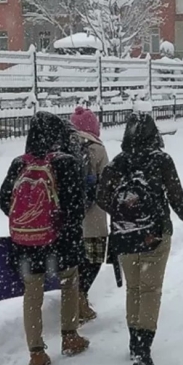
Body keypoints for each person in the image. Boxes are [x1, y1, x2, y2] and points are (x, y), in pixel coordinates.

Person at [97, 112, 183, 365]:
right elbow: (175, 193)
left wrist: (123, 212)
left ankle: (134, 341)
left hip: (124, 235)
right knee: (150, 290)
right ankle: (143, 346)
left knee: (134, 289)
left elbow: (101, 196)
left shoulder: (118, 162)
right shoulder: (161, 160)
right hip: (155, 234)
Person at [0, 111, 90, 365]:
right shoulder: (66, 162)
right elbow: (77, 205)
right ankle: (70, 336)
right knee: (69, 283)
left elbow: (4, 199)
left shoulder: (19, 164)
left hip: (26, 243)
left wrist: (28, 220)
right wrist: (61, 225)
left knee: (32, 293)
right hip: (61, 241)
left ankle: (36, 353)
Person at [70, 106, 110, 324]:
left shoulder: (64, 146)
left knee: (74, 261)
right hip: (93, 217)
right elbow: (108, 182)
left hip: (70, 217)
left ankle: (72, 298)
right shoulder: (97, 148)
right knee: (93, 259)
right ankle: (81, 297)